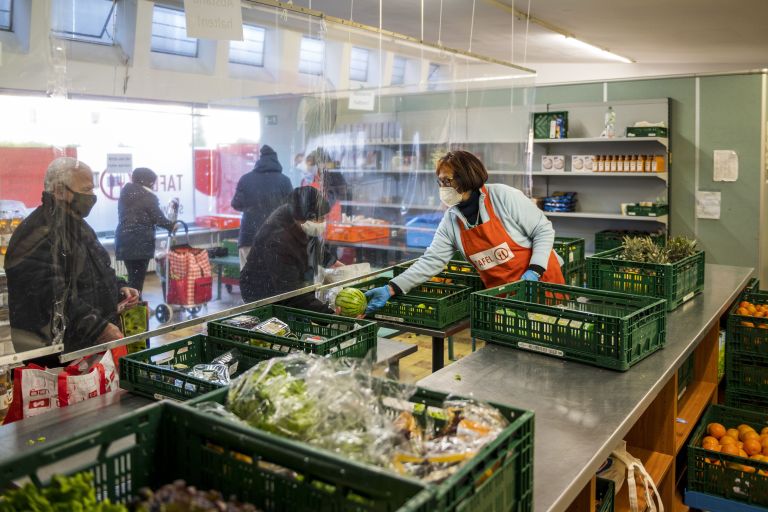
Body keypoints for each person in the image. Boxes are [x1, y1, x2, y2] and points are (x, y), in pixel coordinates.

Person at [364, 150, 565, 314]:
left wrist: (535, 271)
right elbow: (431, 260)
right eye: (440, 182)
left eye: (446, 181)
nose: (442, 187)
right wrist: (391, 288)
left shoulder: (503, 196)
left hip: (542, 284)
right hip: (503, 296)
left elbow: (543, 230)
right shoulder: (451, 220)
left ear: (465, 178)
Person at [5, 157, 140, 354]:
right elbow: (50, 296)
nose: (92, 196)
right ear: (60, 191)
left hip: (86, 346)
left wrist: (120, 288)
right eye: (86, 190)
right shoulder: (37, 233)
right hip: (54, 355)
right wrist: (98, 328)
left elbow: (96, 272)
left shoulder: (78, 226)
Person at [240, 186, 339, 314]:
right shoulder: (278, 241)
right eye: (320, 218)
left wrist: (332, 261)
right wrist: (330, 314)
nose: (323, 223)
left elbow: (312, 244)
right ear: (304, 217)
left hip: (283, 288)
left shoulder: (297, 218)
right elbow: (293, 295)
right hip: (262, 294)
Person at [114, 167, 176, 294]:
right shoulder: (147, 197)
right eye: (153, 182)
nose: (154, 185)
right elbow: (158, 218)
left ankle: (134, 306)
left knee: (132, 277)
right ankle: (136, 309)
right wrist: (172, 226)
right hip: (139, 242)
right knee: (137, 281)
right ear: (148, 182)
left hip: (124, 241)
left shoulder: (125, 193)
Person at [231, 145, 293, 269]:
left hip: (249, 238)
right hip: (276, 240)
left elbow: (236, 204)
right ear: (276, 161)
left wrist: (252, 206)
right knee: (273, 283)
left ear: (259, 160)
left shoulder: (245, 179)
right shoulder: (285, 181)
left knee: (249, 283)